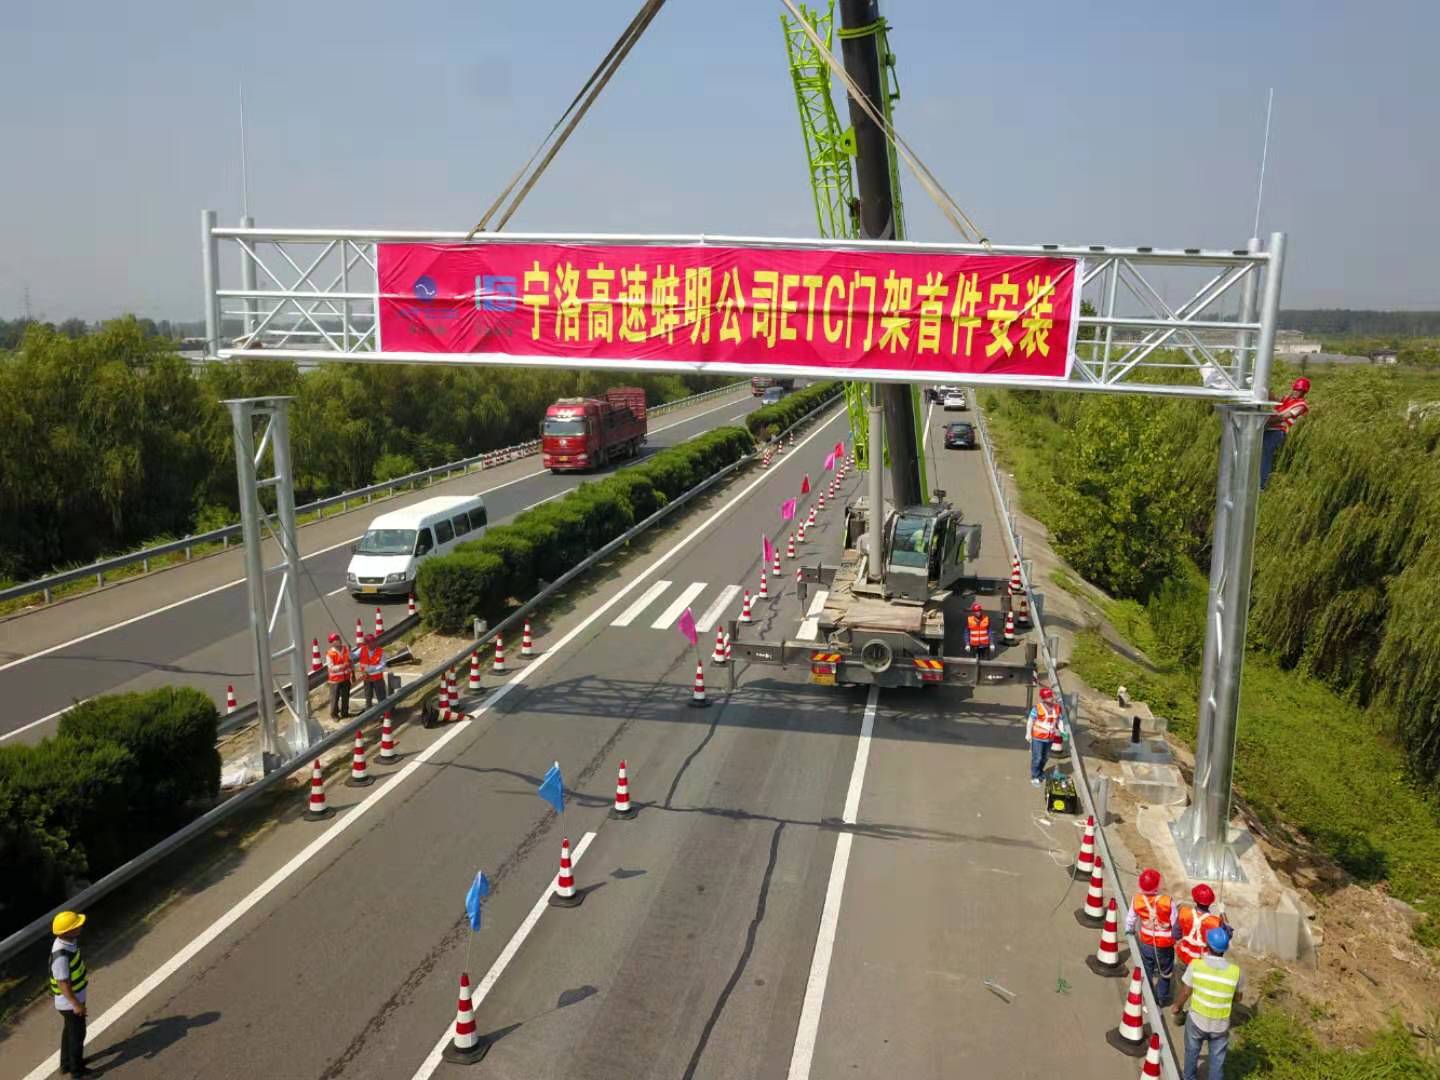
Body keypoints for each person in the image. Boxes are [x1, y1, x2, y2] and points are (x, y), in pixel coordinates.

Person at [1173, 927, 1244, 1080]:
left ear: (1207, 945)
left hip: (1197, 1020)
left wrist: (1177, 1006)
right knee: (1217, 1062)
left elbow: (1186, 992)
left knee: (1192, 1052)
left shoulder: (1196, 965)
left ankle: (1189, 1077)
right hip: (1220, 1025)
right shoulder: (1236, 972)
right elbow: (1238, 998)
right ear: (1225, 949)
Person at [1126, 867, 1176, 1006]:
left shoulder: (1137, 899)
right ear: (1157, 886)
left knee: (1147, 968)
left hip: (1146, 942)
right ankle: (1161, 997)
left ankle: (1147, 995)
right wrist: (1176, 938)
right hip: (1165, 945)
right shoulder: (1167, 901)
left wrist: (1129, 931)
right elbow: (1175, 923)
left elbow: (1130, 919)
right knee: (1165, 972)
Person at [50, 910, 90, 1077]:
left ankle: (66, 1064)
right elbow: (63, 983)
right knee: (78, 1035)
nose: (81, 926)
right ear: (67, 931)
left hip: (72, 1000)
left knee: (69, 1032)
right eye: (77, 925)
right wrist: (76, 1004)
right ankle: (77, 1070)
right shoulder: (61, 955)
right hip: (70, 1003)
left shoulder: (68, 942)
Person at [1175, 883, 1228, 994]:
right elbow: (1227, 933)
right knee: (1198, 988)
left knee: (1182, 987)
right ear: (1210, 902)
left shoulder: (1184, 912)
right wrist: (1222, 912)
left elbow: (1175, 934)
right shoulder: (1215, 922)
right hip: (1202, 961)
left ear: (1195, 899)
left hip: (1183, 957)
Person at [1259, 377, 1309, 489]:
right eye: (1295, 389)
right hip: (1268, 429)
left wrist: (1264, 421)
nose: (1296, 392)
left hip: (1279, 432)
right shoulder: (1287, 399)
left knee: (1265, 454)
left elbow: (1283, 417)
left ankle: (1261, 485)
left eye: (1299, 390)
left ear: (1304, 392)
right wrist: (1265, 388)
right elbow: (1273, 399)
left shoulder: (1301, 405)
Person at [1025, 686, 1060, 786]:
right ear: (1043, 698)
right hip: (1038, 737)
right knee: (1037, 758)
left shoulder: (1057, 708)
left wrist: (1061, 731)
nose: (1050, 698)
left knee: (1045, 757)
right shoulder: (1037, 708)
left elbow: (1058, 720)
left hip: (1050, 738)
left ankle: (1040, 772)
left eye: (1051, 696)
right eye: (1048, 697)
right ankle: (1034, 776)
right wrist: (1028, 733)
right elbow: (1030, 721)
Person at [325, 632, 353, 719]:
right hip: (335, 680)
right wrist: (342, 666)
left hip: (346, 678)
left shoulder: (345, 649)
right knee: (335, 698)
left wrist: (352, 672)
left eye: (339, 639)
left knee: (346, 696)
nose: (339, 641)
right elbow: (331, 668)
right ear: (332, 643)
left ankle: (345, 712)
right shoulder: (330, 653)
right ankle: (334, 714)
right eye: (336, 640)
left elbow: (350, 660)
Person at [358, 633, 386, 709]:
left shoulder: (380, 651)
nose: (374, 644)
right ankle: (368, 712)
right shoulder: (362, 650)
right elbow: (352, 656)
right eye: (372, 642)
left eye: (374, 641)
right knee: (368, 697)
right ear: (367, 644)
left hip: (377, 678)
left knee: (381, 697)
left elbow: (383, 664)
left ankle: (384, 713)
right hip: (367, 678)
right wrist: (349, 651)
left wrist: (373, 668)